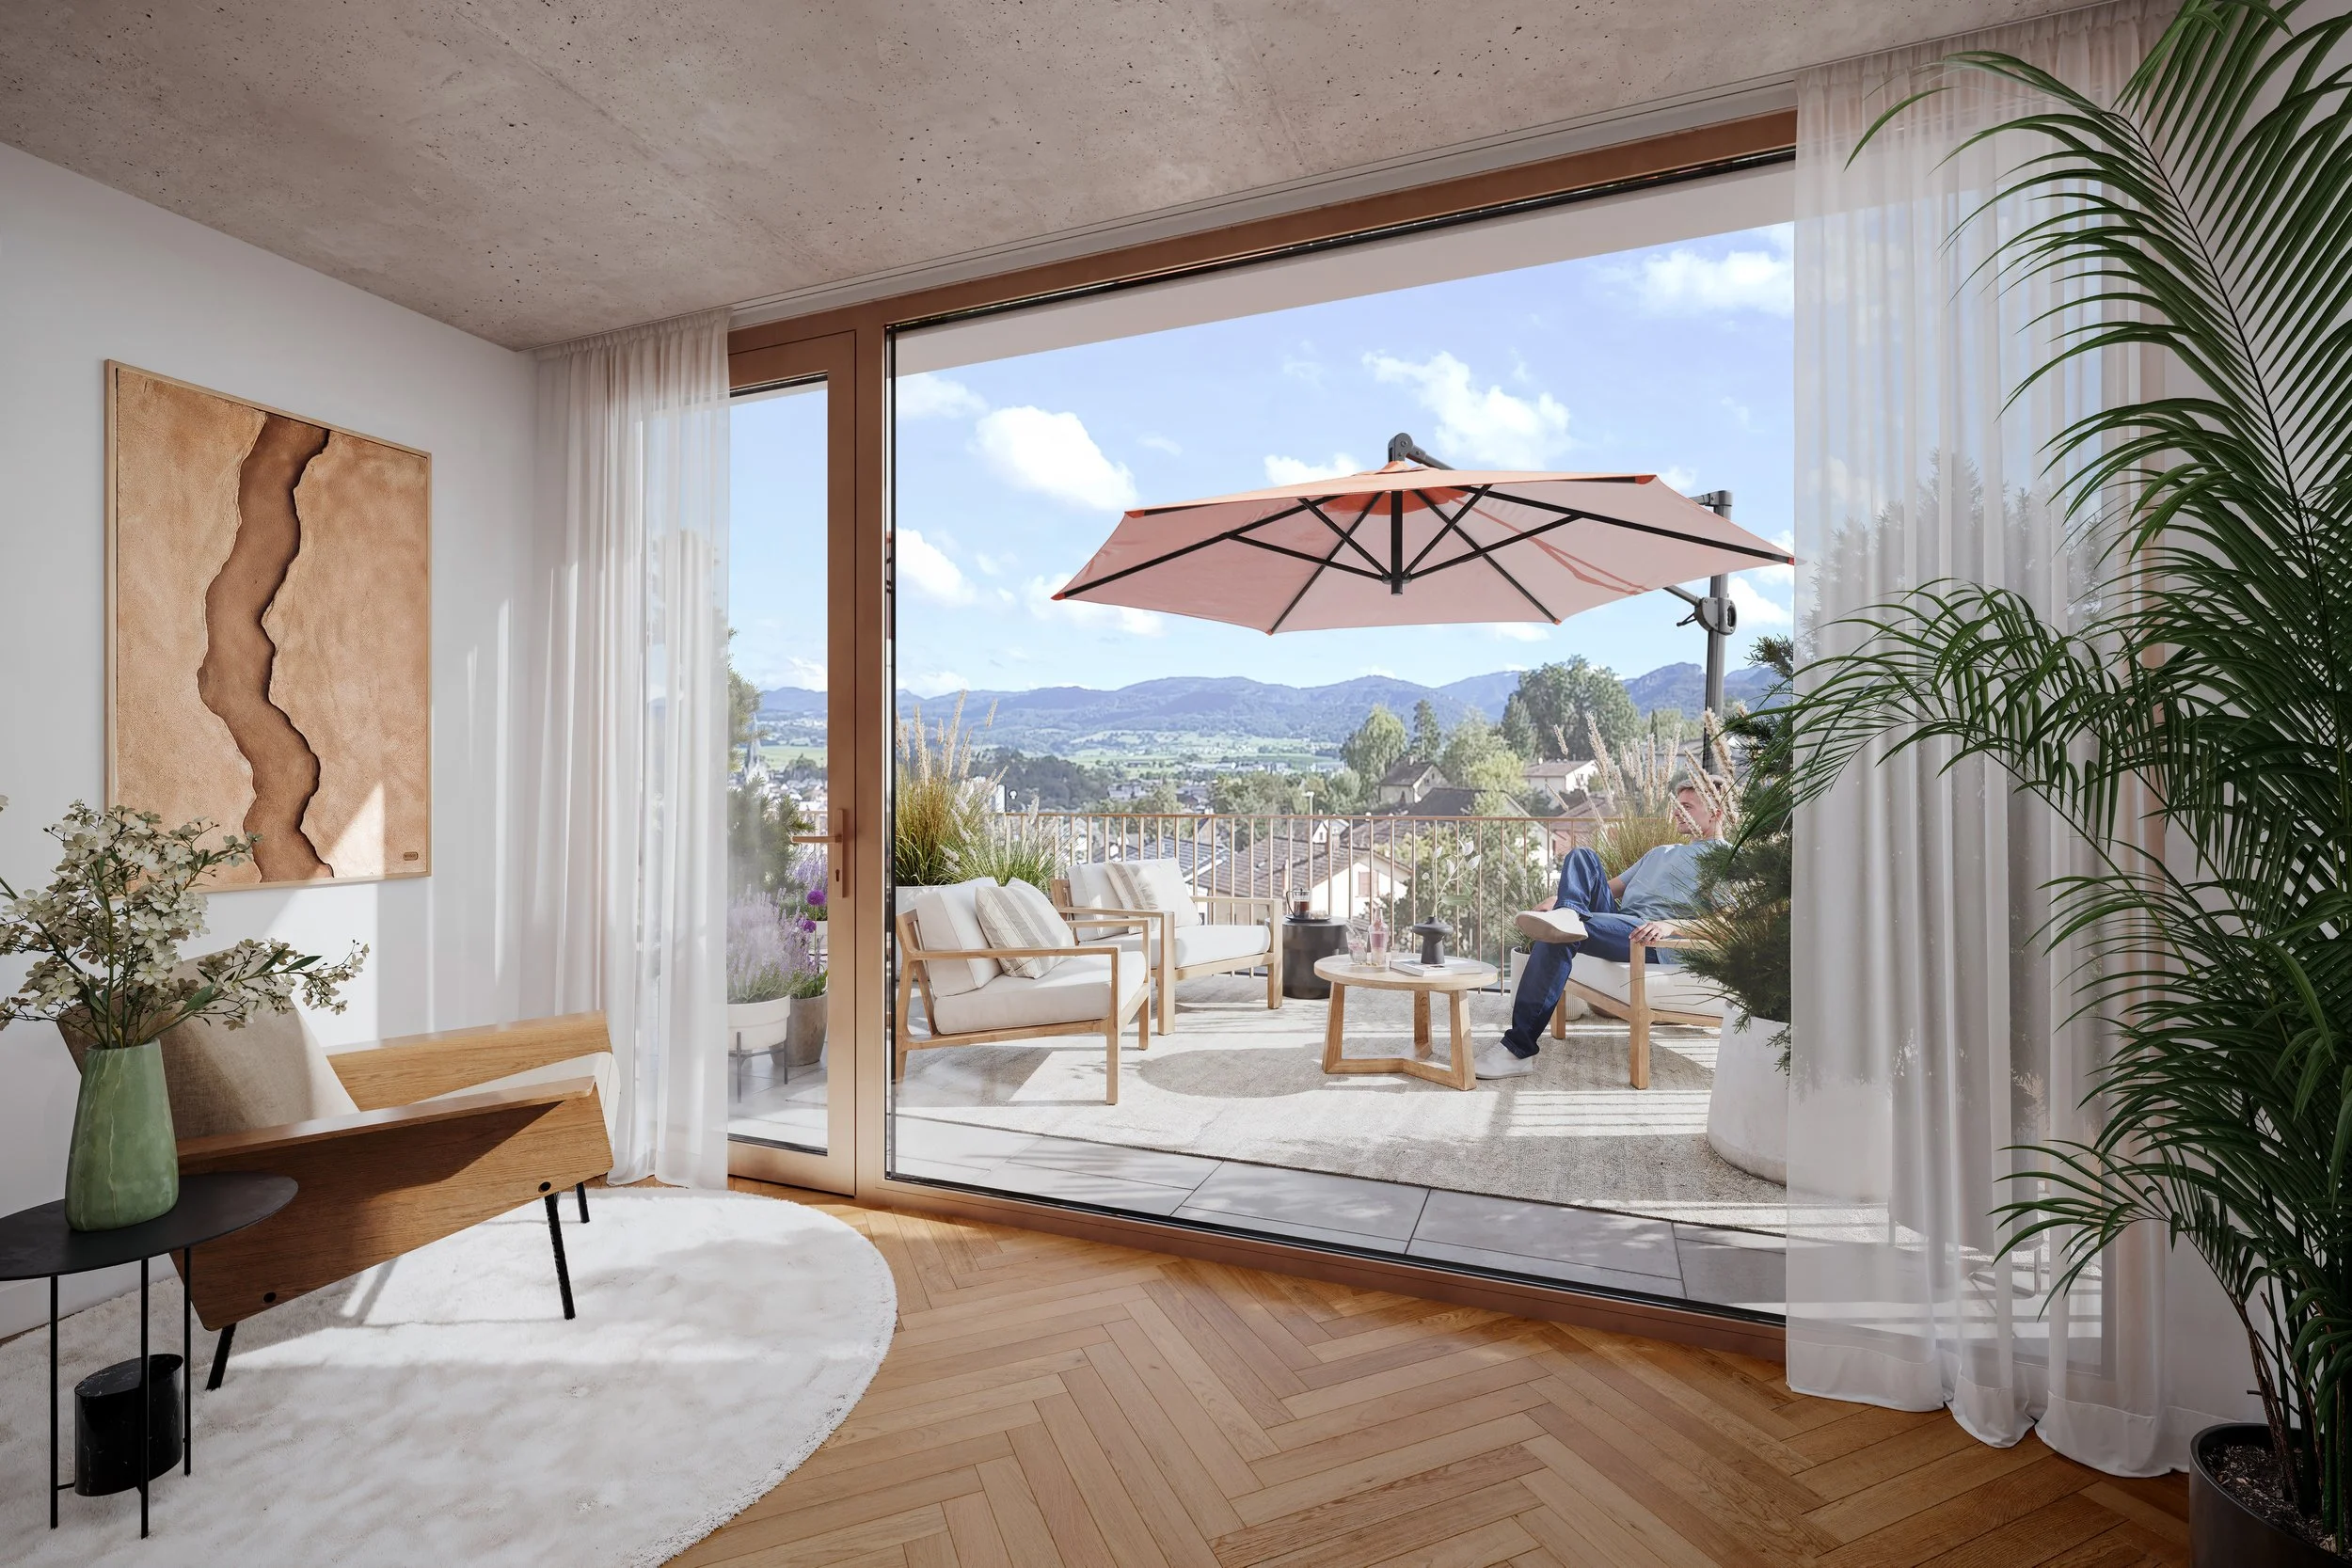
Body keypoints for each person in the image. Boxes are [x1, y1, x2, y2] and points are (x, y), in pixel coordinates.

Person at [1473, 774, 1726, 1080]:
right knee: (1583, 856)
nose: (1676, 812)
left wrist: (1670, 925)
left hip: (1648, 939)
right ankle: (1567, 916)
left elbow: (1725, 923)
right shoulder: (1661, 852)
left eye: (1687, 806)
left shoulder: (1725, 858)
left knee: (1560, 933)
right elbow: (1607, 887)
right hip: (1618, 924)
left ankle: (1517, 1050)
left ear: (1715, 812)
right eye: (1677, 805)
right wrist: (1564, 899)